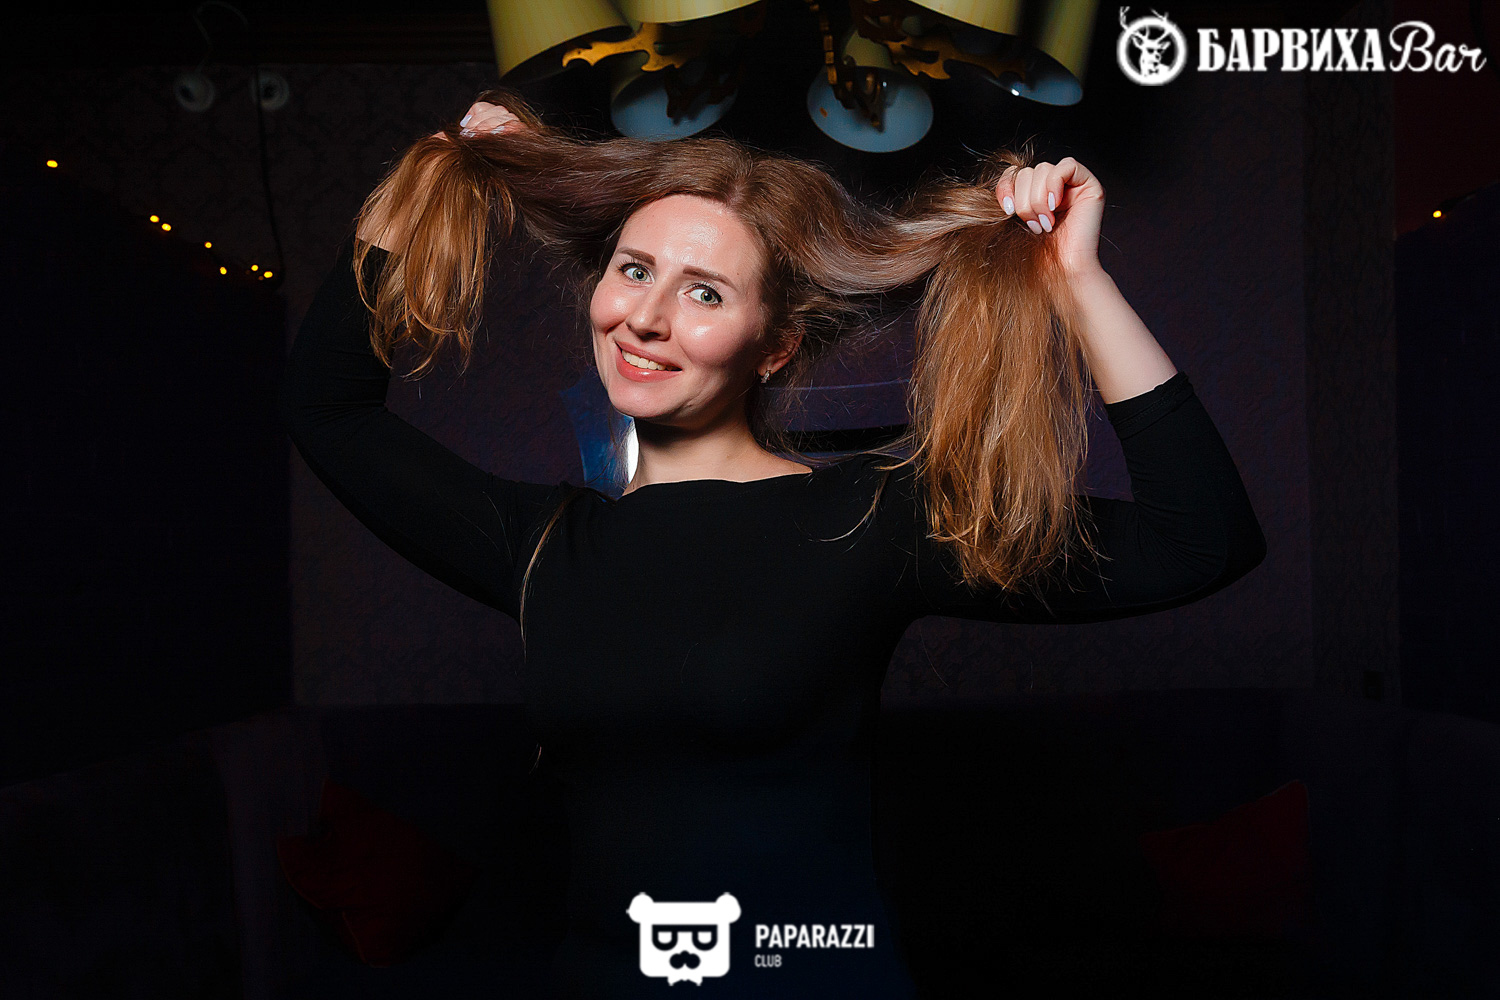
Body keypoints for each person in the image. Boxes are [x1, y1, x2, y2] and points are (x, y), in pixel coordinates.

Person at [280, 90, 1266, 999]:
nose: (645, 319)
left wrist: (1076, 281)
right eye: (634, 270)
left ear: (778, 342)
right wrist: (438, 174)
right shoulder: (537, 547)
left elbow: (1201, 539)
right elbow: (327, 410)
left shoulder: (874, 519)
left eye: (705, 293)